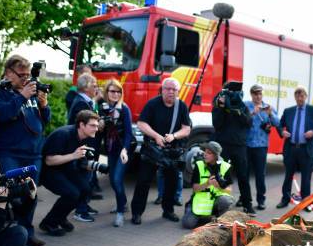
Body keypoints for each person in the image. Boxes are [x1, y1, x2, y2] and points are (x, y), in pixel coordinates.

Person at [0, 54, 50, 246]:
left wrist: (44, 106)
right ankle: (9, 232)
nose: (26, 79)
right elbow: (3, 114)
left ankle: (26, 232)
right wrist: (22, 96)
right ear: (9, 73)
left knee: (31, 195)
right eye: (22, 74)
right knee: (14, 195)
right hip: (10, 153)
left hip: (33, 154)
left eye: (28, 75)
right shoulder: (0, 91)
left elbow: (44, 121)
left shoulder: (31, 92)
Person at [130, 77, 191, 224]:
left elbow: (186, 129)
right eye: (167, 89)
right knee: (144, 181)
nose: (170, 92)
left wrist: (174, 136)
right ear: (162, 90)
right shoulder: (152, 104)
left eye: (173, 89)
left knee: (172, 182)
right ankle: (137, 213)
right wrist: (156, 136)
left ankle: (168, 211)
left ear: (178, 91)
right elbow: (141, 123)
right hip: (152, 149)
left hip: (171, 151)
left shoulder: (181, 106)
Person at [39, 110, 100, 235]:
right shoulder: (63, 134)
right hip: (48, 171)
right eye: (93, 126)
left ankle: (60, 217)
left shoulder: (86, 137)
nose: (96, 129)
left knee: (85, 189)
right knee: (72, 194)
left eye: (97, 126)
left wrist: (91, 166)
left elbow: (80, 159)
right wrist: (73, 156)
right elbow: (49, 161)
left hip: (65, 168)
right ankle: (48, 223)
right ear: (82, 125)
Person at [275, 85, 313, 209]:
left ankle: (306, 202)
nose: (300, 98)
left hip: (306, 149)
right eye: (297, 95)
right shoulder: (288, 111)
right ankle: (285, 199)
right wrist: (282, 132)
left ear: (306, 96)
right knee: (288, 176)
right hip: (291, 148)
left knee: (306, 177)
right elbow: (279, 125)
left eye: (302, 95)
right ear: (295, 97)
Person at [212, 81, 254, 214]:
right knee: (221, 175)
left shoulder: (243, 107)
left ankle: (247, 204)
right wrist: (223, 108)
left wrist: (237, 110)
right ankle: (219, 204)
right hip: (223, 146)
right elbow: (216, 124)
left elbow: (248, 123)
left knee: (243, 176)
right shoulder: (219, 106)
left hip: (239, 147)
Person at [96, 79, 132, 227]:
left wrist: (125, 149)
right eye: (112, 91)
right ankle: (123, 203)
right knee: (112, 180)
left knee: (117, 180)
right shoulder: (102, 108)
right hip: (110, 149)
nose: (115, 94)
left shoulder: (124, 109)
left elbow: (129, 133)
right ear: (107, 92)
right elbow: (98, 130)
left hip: (122, 149)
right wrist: (100, 126)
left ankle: (120, 213)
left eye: (118, 91)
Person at [68, 73, 101, 221]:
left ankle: (84, 205)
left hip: (86, 147)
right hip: (84, 147)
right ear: (86, 87)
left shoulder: (85, 101)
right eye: (94, 85)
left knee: (87, 177)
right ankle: (80, 210)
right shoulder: (81, 103)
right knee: (84, 179)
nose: (97, 88)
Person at [182, 141, 234, 229]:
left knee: (225, 200)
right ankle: (194, 211)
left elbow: (229, 190)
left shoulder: (225, 166)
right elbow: (195, 189)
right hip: (201, 202)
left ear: (216, 156)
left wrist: (219, 186)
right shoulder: (199, 165)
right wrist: (207, 184)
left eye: (209, 153)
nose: (205, 154)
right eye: (205, 151)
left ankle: (220, 217)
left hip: (217, 201)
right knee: (187, 224)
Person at [244, 84, 279, 210]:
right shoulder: (246, 106)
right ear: (251, 94)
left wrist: (271, 114)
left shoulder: (268, 107)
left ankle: (261, 200)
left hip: (261, 145)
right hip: (247, 144)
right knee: (244, 173)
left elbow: (277, 123)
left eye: (259, 94)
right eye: (255, 94)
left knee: (260, 174)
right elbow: (241, 121)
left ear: (262, 95)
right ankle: (244, 198)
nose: (258, 96)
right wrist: (253, 113)